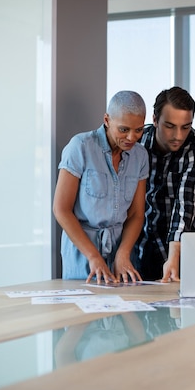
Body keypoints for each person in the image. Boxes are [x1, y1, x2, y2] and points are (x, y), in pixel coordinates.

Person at [53, 90, 148, 284]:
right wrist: (93, 256)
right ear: (107, 119)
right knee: (85, 310)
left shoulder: (140, 156)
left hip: (121, 252)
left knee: (123, 310)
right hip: (82, 254)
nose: (131, 137)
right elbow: (61, 209)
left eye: (138, 130)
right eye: (124, 130)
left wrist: (123, 253)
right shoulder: (80, 147)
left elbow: (137, 214)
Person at [134, 86, 195, 282]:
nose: (178, 135)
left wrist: (173, 256)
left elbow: (185, 204)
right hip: (138, 244)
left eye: (186, 127)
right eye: (170, 126)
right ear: (155, 119)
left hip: (182, 249)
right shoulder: (137, 143)